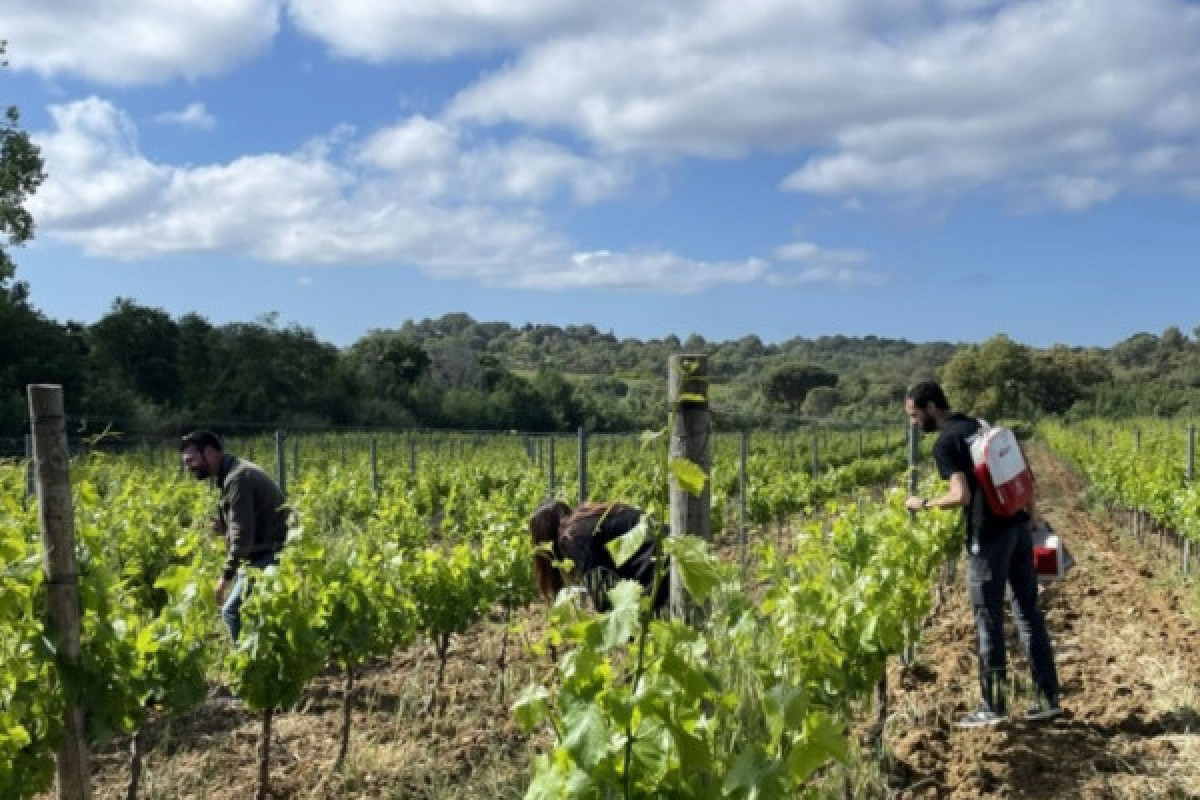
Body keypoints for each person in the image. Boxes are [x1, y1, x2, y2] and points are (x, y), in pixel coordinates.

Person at [903, 382, 1063, 729]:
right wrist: (1031, 517)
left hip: (987, 538)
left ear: (931, 407)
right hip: (1018, 527)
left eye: (915, 416)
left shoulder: (946, 442)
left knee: (988, 619)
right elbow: (1025, 474)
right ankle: (1048, 698)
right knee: (1027, 613)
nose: (915, 423)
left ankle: (993, 706)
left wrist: (924, 504)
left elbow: (960, 495)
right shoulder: (981, 426)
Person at [179, 430, 289, 641]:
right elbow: (248, 518)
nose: (189, 467)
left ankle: (247, 665)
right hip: (261, 551)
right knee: (253, 612)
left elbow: (242, 536)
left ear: (210, 452)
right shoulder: (234, 472)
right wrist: (225, 526)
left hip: (269, 553)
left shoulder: (237, 478)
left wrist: (224, 578)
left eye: (191, 460)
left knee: (230, 611)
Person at [529, 500, 668, 613]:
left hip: (659, 568)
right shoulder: (589, 519)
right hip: (671, 549)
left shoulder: (573, 538)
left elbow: (602, 596)